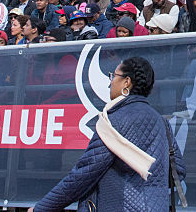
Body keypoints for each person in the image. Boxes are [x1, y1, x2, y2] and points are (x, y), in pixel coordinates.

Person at [30, 57, 185, 212]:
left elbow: (83, 175)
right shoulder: (161, 122)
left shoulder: (113, 122)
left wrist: (42, 208)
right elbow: (178, 171)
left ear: (126, 82)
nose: (110, 82)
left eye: (113, 76)